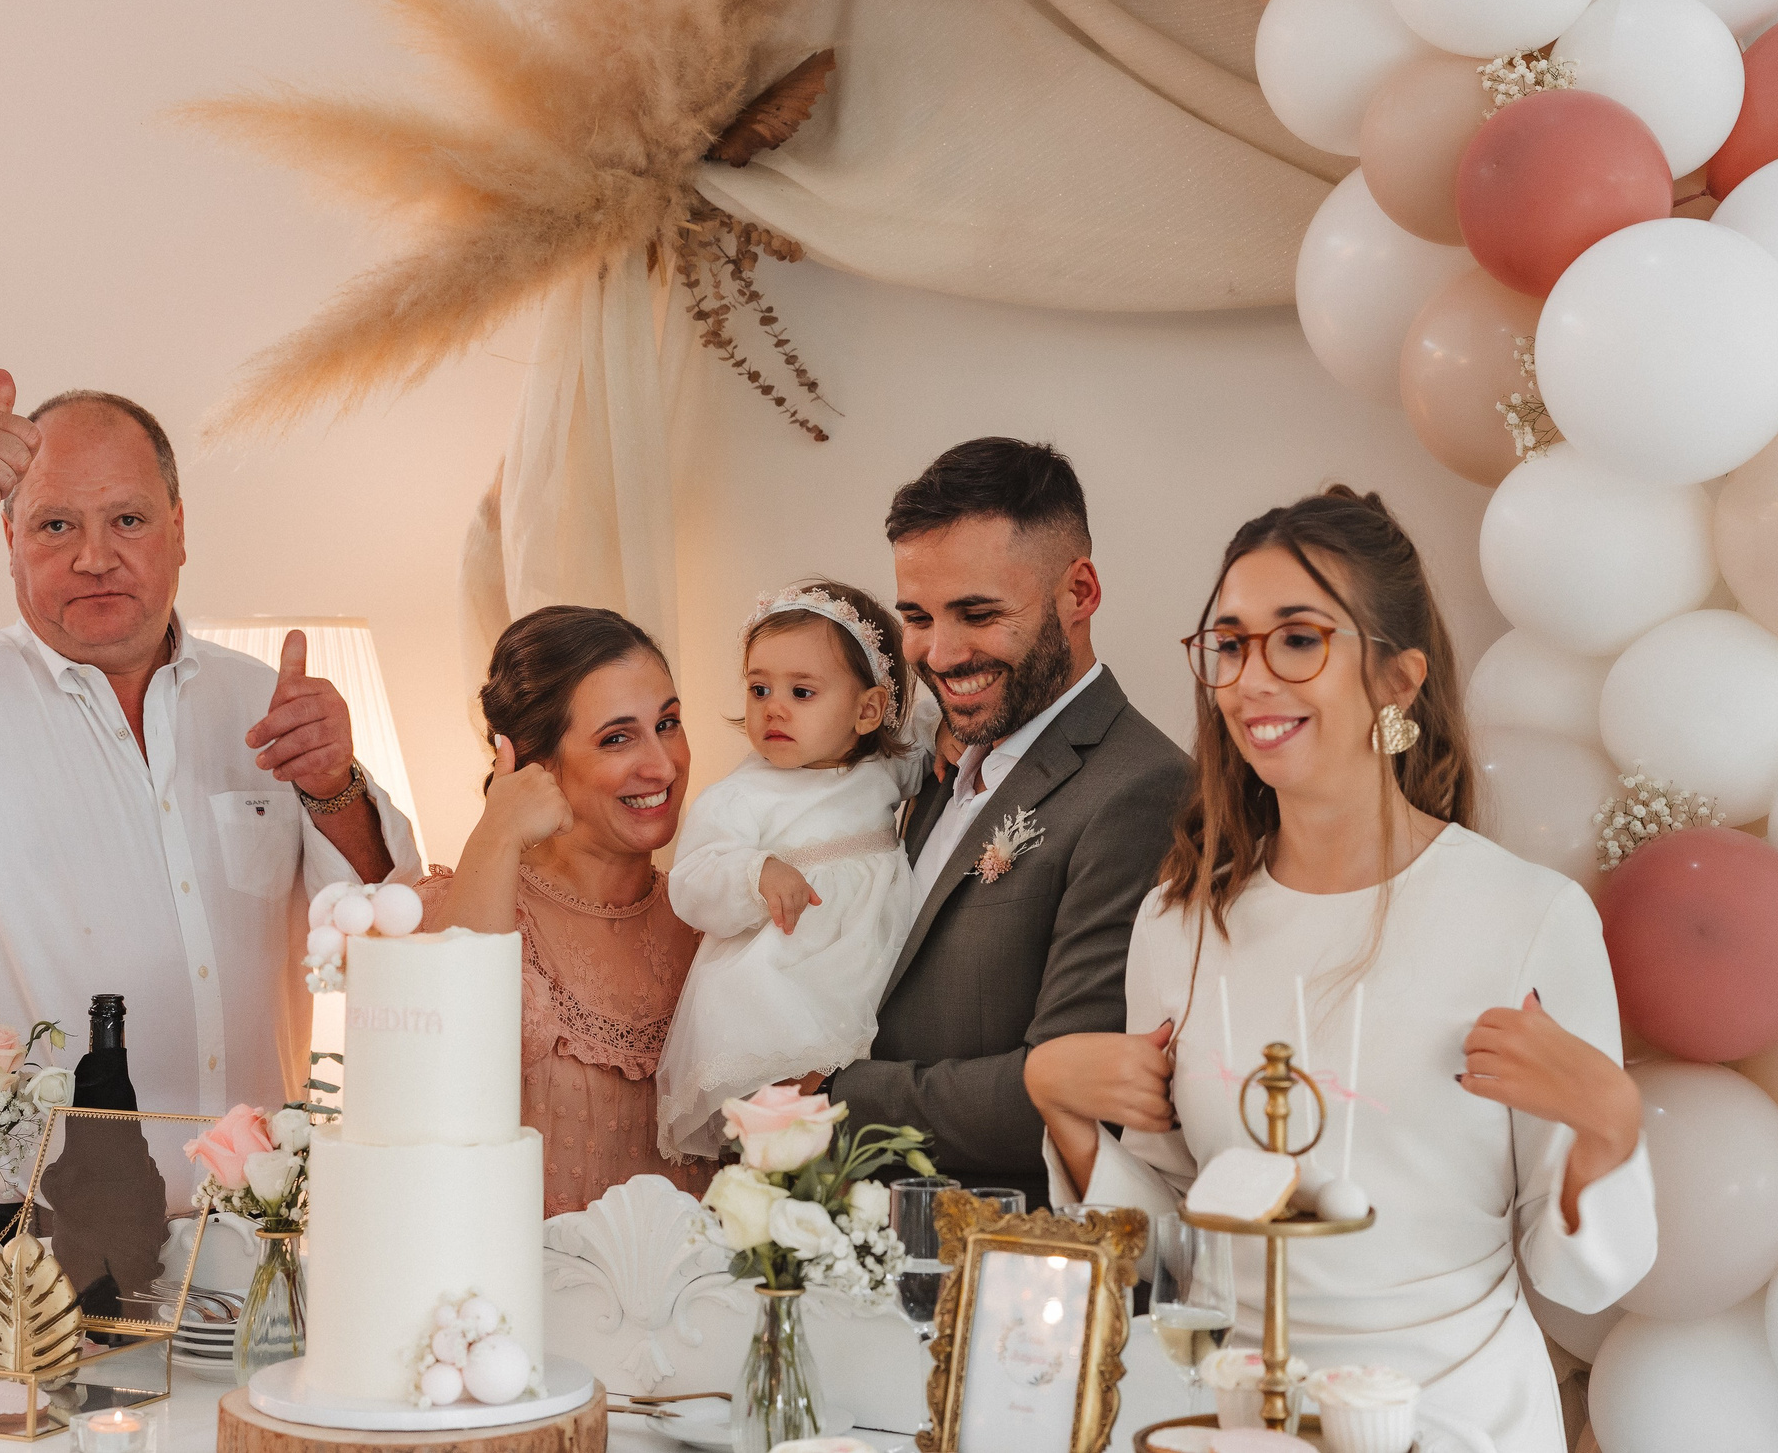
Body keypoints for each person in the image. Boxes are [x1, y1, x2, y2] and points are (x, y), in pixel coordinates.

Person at [1024, 487, 1656, 1453]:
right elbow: (1178, 1253)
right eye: (1229, 644)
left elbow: (1581, 1284)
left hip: (1447, 1421)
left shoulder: (1525, 918)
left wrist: (1608, 1123)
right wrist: (1066, 1114)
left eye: (1299, 639)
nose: (1249, 678)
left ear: (1397, 679)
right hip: (1228, 1416)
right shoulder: (1179, 922)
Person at [0, 371, 421, 1166]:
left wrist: (335, 788)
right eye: (56, 524)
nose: (96, 557)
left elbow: (385, 944)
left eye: (127, 519)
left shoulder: (266, 703)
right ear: (9, 539)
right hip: (20, 1239)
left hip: (248, 1231)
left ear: (179, 529)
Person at [820, 438, 1189, 1205]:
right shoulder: (928, 761)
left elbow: (1068, 1090)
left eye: (979, 613)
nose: (940, 652)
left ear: (1079, 592)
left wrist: (827, 1098)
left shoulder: (1140, 787)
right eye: (916, 616)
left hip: (1002, 1259)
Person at [431, 604, 714, 1215]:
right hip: (514, 1303)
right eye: (617, 738)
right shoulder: (459, 914)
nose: (662, 766)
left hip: (702, 1302)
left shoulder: (711, 920)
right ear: (534, 761)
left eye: (668, 724)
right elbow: (445, 1101)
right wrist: (496, 834)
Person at [653, 580, 932, 1161]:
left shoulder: (884, 769)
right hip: (782, 980)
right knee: (786, 1126)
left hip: (869, 968)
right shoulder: (741, 796)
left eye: (802, 691)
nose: (773, 707)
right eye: (759, 689)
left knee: (859, 1128)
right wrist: (756, 873)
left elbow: (933, 738)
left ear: (867, 711)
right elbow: (692, 880)